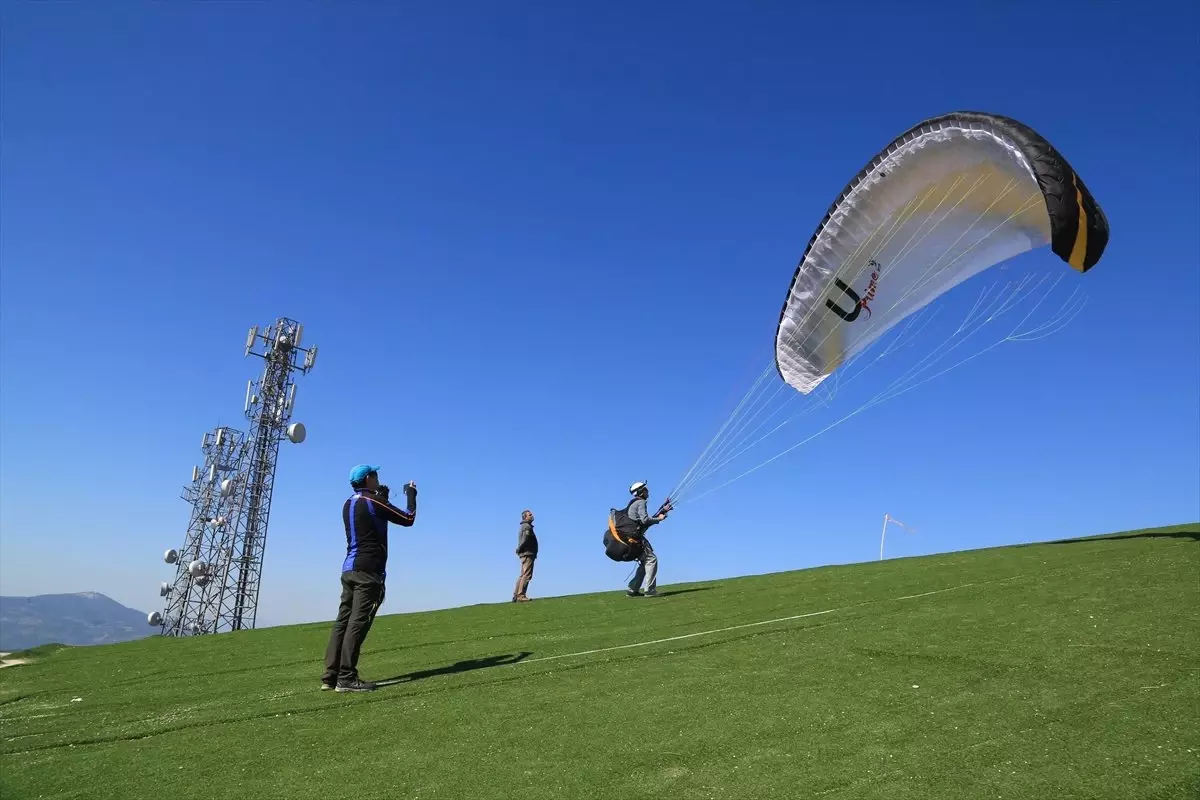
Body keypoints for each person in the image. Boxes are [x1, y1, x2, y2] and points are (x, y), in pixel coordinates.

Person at [321, 464, 417, 693]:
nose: (379, 478)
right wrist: (411, 494)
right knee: (358, 623)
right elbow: (408, 518)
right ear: (368, 479)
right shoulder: (373, 502)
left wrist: (380, 497)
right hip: (369, 571)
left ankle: (330, 676)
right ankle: (346, 678)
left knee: (342, 622)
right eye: (376, 475)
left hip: (349, 568)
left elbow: (371, 520)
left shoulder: (349, 503)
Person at [625, 480, 670, 597]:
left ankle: (632, 589)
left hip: (631, 538)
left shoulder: (633, 503)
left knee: (646, 561)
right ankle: (649, 590)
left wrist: (663, 511)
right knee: (651, 559)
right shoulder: (641, 503)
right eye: (645, 489)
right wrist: (659, 519)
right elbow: (645, 520)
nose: (648, 491)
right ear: (641, 492)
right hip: (635, 539)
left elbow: (643, 522)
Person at [512, 509, 538, 602]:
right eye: (530, 515)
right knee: (527, 575)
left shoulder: (524, 526)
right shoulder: (527, 526)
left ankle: (516, 595)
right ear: (525, 517)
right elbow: (525, 540)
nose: (532, 515)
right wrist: (520, 548)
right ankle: (521, 595)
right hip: (528, 553)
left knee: (522, 575)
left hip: (525, 553)